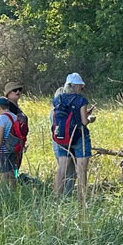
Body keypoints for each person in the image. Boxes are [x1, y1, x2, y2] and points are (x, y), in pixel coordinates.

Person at [51, 74, 94, 202]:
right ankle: (82, 200)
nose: (82, 89)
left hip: (62, 138)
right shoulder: (81, 100)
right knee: (81, 170)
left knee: (62, 168)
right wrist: (90, 118)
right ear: (75, 86)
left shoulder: (58, 99)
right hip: (79, 136)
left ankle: (56, 198)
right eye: (81, 86)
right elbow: (84, 122)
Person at [0, 97, 24, 188]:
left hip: (4, 150)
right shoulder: (14, 116)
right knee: (13, 171)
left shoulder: (2, 117)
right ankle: (14, 190)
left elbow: (0, 137)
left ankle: (3, 193)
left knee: (3, 172)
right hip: (14, 149)